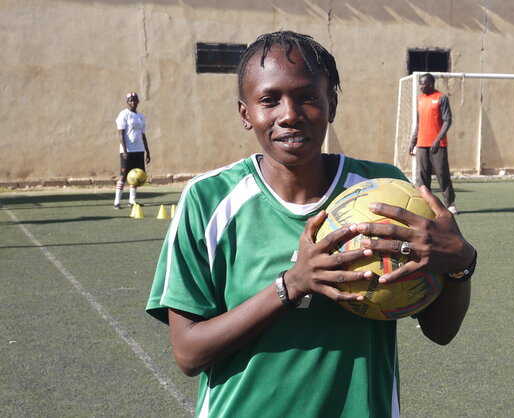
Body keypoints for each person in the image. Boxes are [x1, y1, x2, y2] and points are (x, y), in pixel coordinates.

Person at [145, 31, 477, 417]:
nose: (289, 114)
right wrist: (292, 285)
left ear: (331, 105)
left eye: (307, 97)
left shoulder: (384, 192)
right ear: (245, 113)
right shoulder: (208, 200)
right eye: (269, 100)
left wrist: (461, 265)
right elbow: (188, 353)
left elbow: (441, 331)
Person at [409, 73, 457, 214]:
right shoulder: (420, 99)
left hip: (438, 145)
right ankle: (426, 205)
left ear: (431, 83)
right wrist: (413, 141)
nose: (421, 86)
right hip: (422, 144)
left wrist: (437, 139)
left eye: (423, 83)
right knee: (422, 176)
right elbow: (418, 123)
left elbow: (447, 120)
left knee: (442, 174)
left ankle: (450, 204)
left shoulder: (441, 98)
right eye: (420, 83)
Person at [113, 92, 151, 209]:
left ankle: (132, 201)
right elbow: (120, 133)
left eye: (135, 100)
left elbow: (143, 135)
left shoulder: (141, 117)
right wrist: (124, 150)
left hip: (139, 150)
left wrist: (147, 151)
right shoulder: (124, 115)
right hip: (128, 150)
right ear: (127, 102)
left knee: (136, 176)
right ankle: (117, 202)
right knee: (123, 176)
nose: (133, 102)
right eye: (130, 100)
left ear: (138, 101)